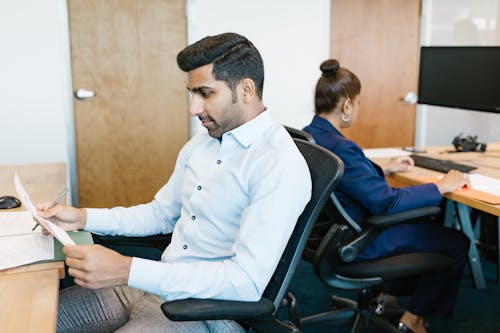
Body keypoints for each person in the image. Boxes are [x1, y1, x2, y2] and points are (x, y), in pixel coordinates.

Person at [38, 32, 312, 333]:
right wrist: (83, 217)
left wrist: (126, 270)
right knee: (31, 320)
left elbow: (244, 282)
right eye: (192, 93)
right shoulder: (203, 144)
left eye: (205, 93)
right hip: (155, 285)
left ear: (245, 89)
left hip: (205, 312)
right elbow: (160, 213)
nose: (193, 108)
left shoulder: (278, 164)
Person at [303, 59, 470, 333]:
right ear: (346, 106)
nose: (357, 109)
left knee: (429, 224)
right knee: (455, 242)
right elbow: (386, 202)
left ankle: (386, 296)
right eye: (358, 104)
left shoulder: (311, 137)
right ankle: (413, 319)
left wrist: (384, 168)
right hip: (359, 241)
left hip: (326, 237)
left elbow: (347, 178)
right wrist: (440, 186)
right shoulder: (342, 148)